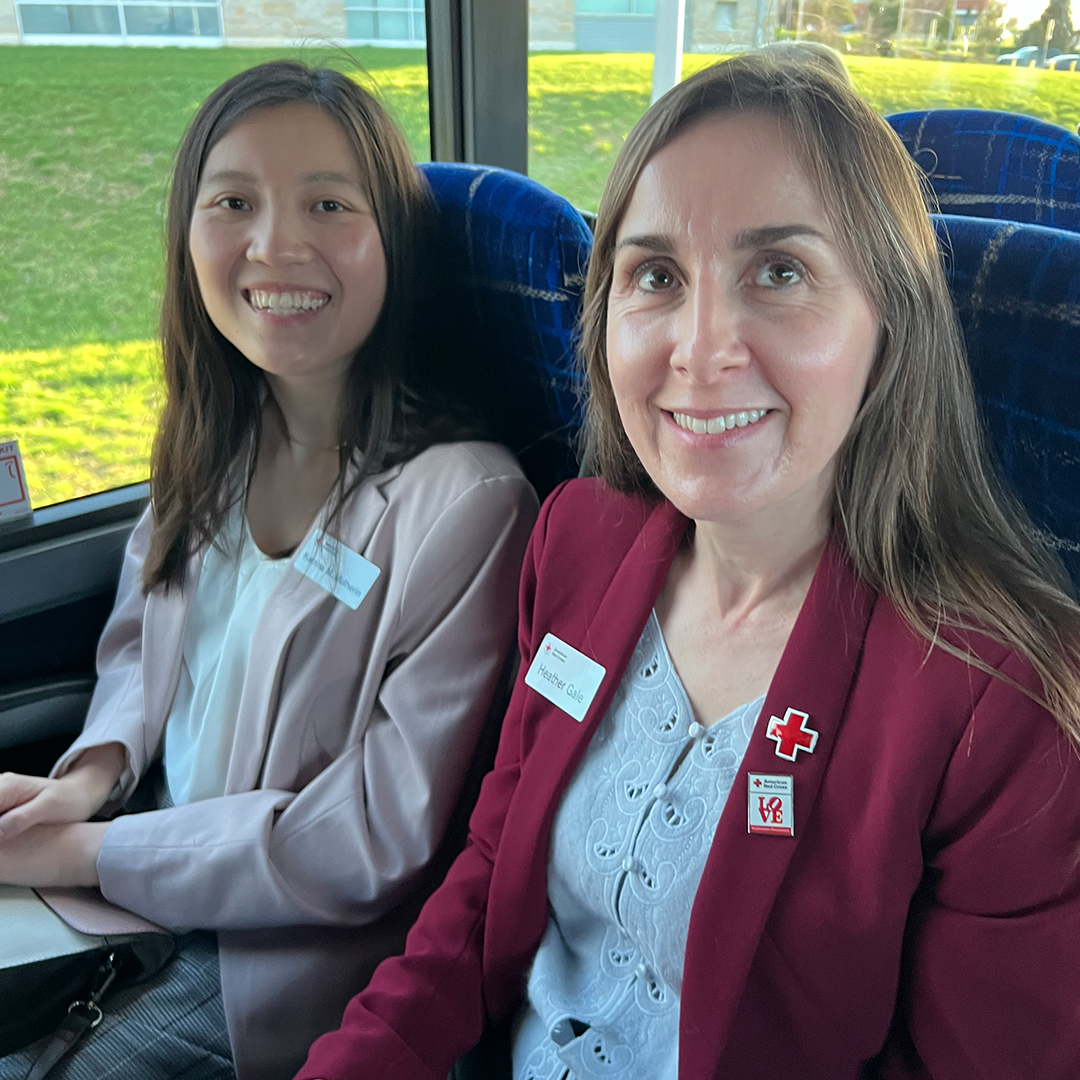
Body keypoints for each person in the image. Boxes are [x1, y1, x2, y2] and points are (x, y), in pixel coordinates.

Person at [293, 52, 1080, 1080]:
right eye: (656, 276)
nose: (700, 350)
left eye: (780, 272)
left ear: (889, 330)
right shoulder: (576, 540)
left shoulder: (1002, 701)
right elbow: (493, 873)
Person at [0, 61, 537, 1080]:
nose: (275, 244)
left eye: (328, 204)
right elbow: (136, 646)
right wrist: (88, 783)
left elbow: (374, 837)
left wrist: (86, 854)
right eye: (233, 202)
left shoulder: (464, 503)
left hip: (277, 953)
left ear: (395, 242)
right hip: (130, 861)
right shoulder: (213, 436)